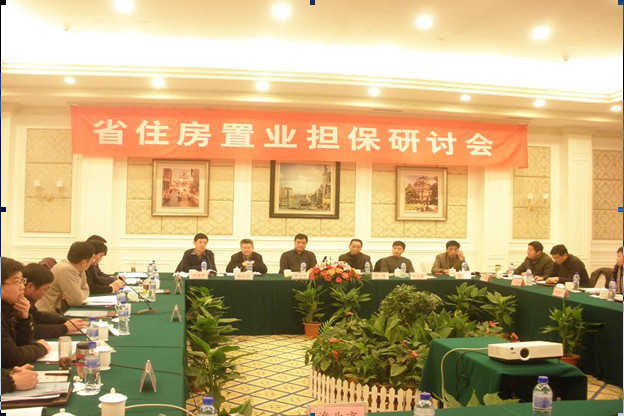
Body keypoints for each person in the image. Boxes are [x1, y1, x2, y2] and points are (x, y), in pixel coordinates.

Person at [1, 257, 50, 368]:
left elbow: (21, 344)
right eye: (16, 282)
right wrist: (41, 348)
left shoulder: (10, 306)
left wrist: (23, 319)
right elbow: (12, 357)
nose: (22, 287)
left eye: (22, 281)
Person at [22, 263, 88, 339]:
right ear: (30, 287)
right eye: (45, 289)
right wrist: (64, 328)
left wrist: (64, 321)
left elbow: (37, 316)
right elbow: (33, 330)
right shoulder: (16, 303)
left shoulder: (27, 300)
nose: (45, 293)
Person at [36, 241, 95, 313]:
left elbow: (86, 290)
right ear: (83, 262)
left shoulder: (80, 269)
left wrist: (77, 294)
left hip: (58, 311)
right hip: (48, 312)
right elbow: (76, 301)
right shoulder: (65, 269)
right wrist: (77, 294)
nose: (92, 262)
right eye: (92, 260)